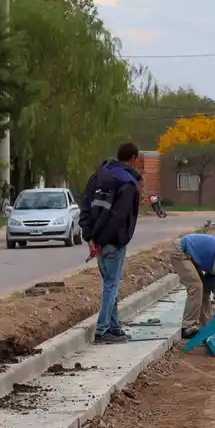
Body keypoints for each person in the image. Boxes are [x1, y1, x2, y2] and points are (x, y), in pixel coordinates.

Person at [80, 142, 143, 344]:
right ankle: (102, 330)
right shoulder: (128, 183)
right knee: (111, 285)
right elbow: (119, 217)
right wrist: (103, 241)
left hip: (97, 241)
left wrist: (91, 238)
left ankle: (115, 328)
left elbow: (86, 207)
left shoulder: (97, 177)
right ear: (134, 158)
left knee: (110, 284)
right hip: (113, 242)